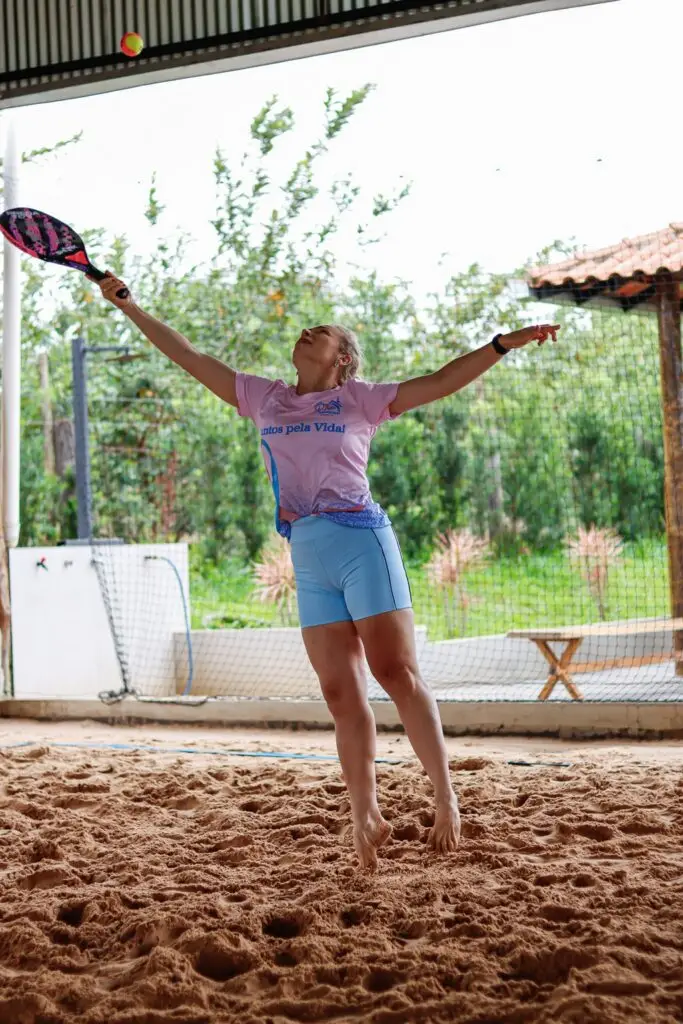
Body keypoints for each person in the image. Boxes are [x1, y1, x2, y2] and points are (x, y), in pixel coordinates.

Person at [97, 271, 560, 870]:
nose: (307, 331)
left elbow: (442, 380)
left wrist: (503, 344)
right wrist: (129, 306)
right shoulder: (265, 397)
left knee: (396, 673)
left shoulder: (360, 399)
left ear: (343, 358)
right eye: (306, 329)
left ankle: (445, 798)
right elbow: (187, 355)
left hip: (362, 540)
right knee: (340, 692)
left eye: (322, 332)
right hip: (308, 552)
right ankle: (365, 813)